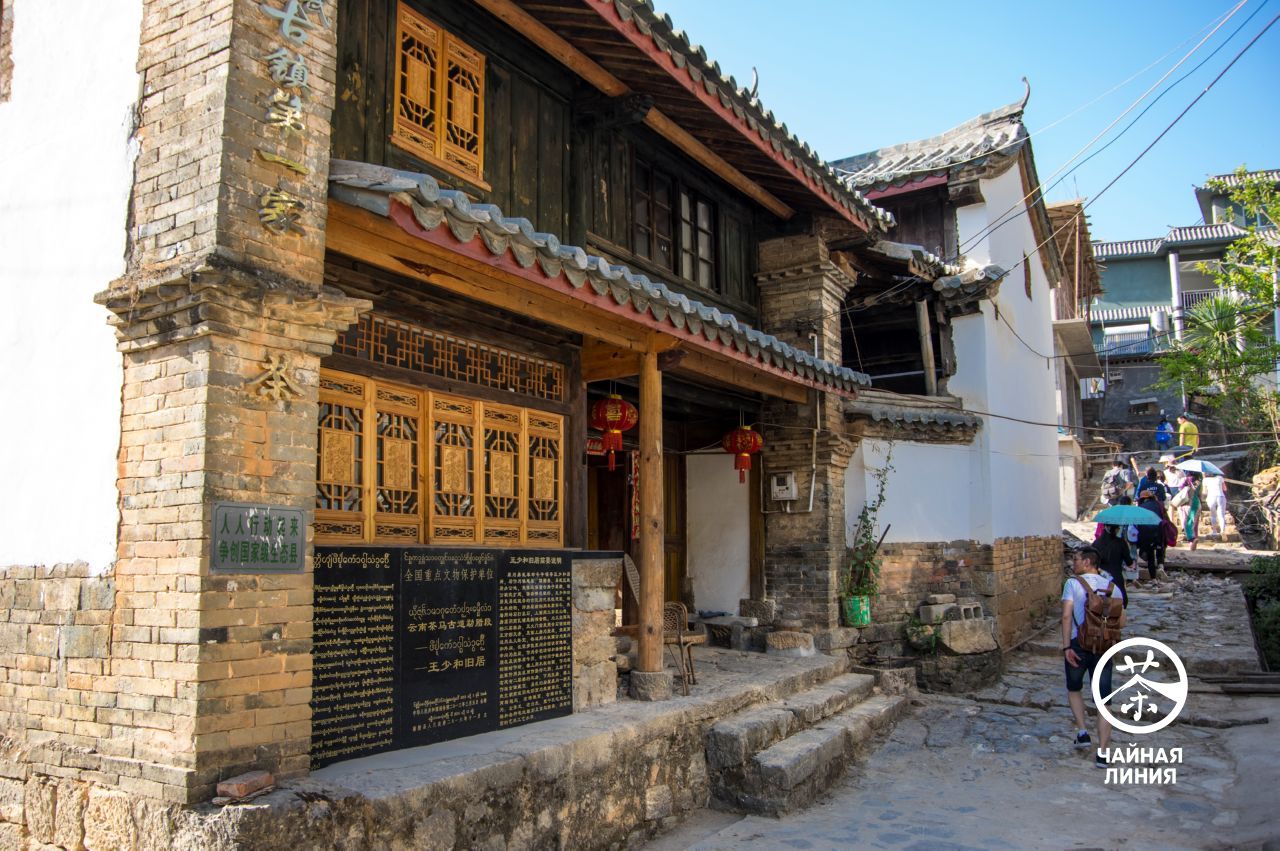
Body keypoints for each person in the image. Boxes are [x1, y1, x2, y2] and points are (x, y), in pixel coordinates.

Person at [1061, 547, 1122, 768]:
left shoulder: (1072, 584)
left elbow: (1067, 615)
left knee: (1074, 688)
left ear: (1087, 562)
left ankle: (1083, 731)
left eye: (1076, 559)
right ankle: (1103, 753)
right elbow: (1120, 617)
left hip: (1079, 644)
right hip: (1104, 647)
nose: (1072, 563)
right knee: (1104, 700)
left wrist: (1067, 645)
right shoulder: (1113, 587)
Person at [1091, 524, 1132, 607]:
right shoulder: (1121, 542)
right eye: (1118, 528)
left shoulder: (1096, 543)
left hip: (1101, 577)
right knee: (1121, 601)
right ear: (1114, 529)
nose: (1118, 530)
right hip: (1116, 577)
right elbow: (1129, 562)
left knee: (1101, 601)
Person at [1182, 472, 1204, 551]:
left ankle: (1191, 541)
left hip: (1187, 503)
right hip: (1196, 503)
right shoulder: (1199, 482)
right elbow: (1200, 495)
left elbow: (1180, 489)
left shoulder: (1186, 480)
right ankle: (1195, 539)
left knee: (1187, 523)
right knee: (1195, 523)